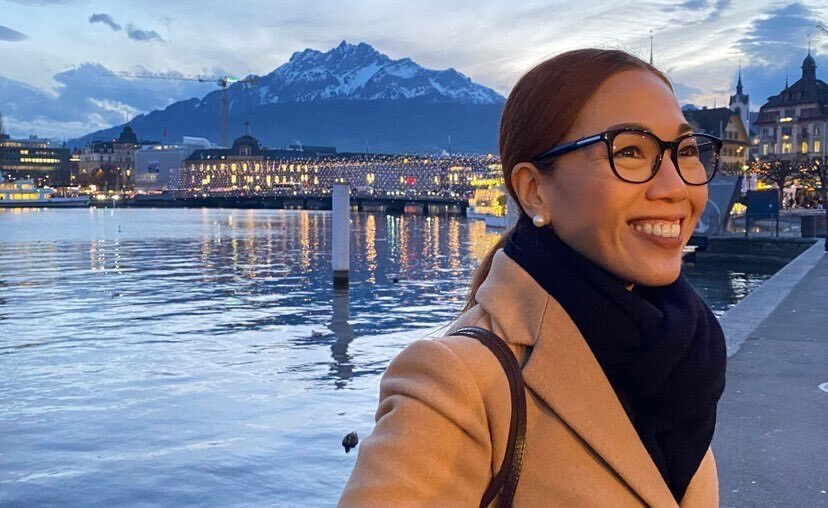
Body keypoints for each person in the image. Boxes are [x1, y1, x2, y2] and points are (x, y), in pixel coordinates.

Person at [340, 49, 727, 507]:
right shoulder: (458, 383)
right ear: (533, 191)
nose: (676, 187)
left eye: (684, 152)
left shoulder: (680, 356)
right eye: (629, 151)